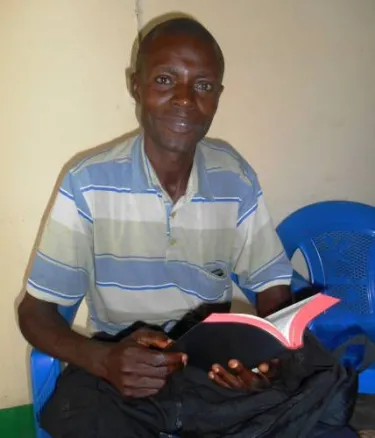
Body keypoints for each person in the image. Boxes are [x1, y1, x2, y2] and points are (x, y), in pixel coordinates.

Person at [17, 17, 357, 438]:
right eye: (164, 79)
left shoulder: (236, 178)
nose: (184, 100)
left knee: (320, 402)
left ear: (217, 97)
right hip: (123, 371)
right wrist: (102, 360)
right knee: (82, 413)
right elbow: (35, 312)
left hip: (212, 368)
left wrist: (264, 361)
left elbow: (271, 287)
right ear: (135, 86)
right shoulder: (87, 182)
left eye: (203, 85)